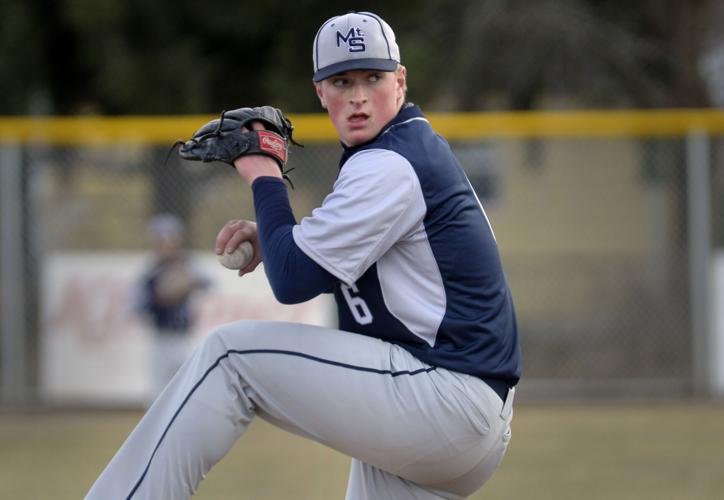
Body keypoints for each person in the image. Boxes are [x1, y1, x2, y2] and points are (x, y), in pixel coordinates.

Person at [86, 11, 520, 500]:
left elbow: (293, 281)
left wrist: (263, 172)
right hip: (455, 416)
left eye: (372, 78)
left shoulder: (391, 163)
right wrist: (276, 239)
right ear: (321, 93)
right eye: (341, 81)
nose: (357, 96)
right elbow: (312, 256)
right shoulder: (404, 151)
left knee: (230, 358)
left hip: (442, 398)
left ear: (400, 82)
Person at [134, 213, 211, 402]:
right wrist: (159, 297)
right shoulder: (150, 272)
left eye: (169, 239)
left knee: (189, 390)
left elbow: (208, 283)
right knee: (157, 396)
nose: (165, 245)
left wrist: (185, 284)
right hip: (160, 338)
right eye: (160, 240)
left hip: (184, 337)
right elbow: (137, 307)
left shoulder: (188, 264)